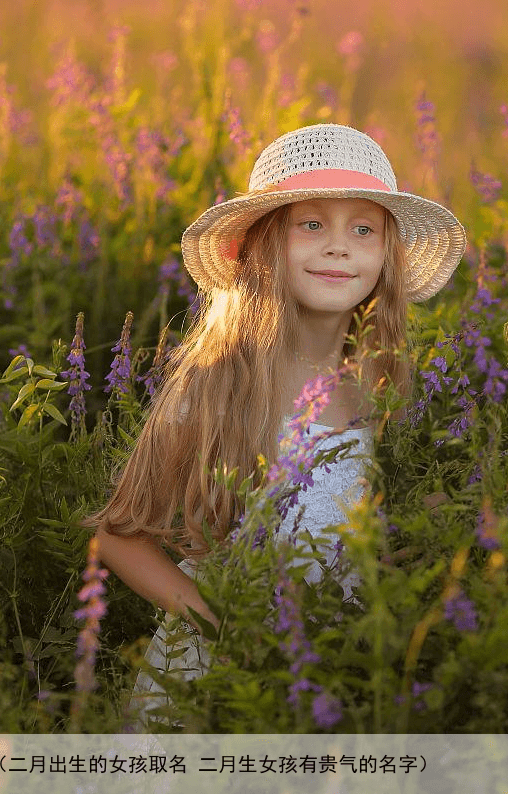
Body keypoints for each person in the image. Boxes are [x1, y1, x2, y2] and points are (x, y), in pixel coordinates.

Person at [84, 123, 466, 728]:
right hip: (215, 677)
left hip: (335, 672)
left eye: (363, 229)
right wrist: (225, 630)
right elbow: (119, 534)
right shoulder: (220, 380)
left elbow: (396, 527)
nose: (339, 248)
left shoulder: (382, 386)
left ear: (386, 256)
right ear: (263, 245)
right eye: (310, 224)